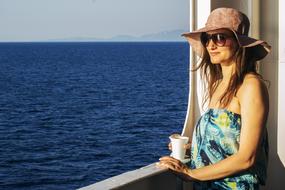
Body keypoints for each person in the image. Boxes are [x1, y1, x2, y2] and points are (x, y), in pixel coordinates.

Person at [157, 7, 271, 190]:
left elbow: (247, 157)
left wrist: (189, 173)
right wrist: (191, 146)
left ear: (239, 43)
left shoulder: (251, 86)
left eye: (219, 37)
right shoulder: (218, 85)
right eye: (206, 38)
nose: (211, 45)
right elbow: (227, 141)